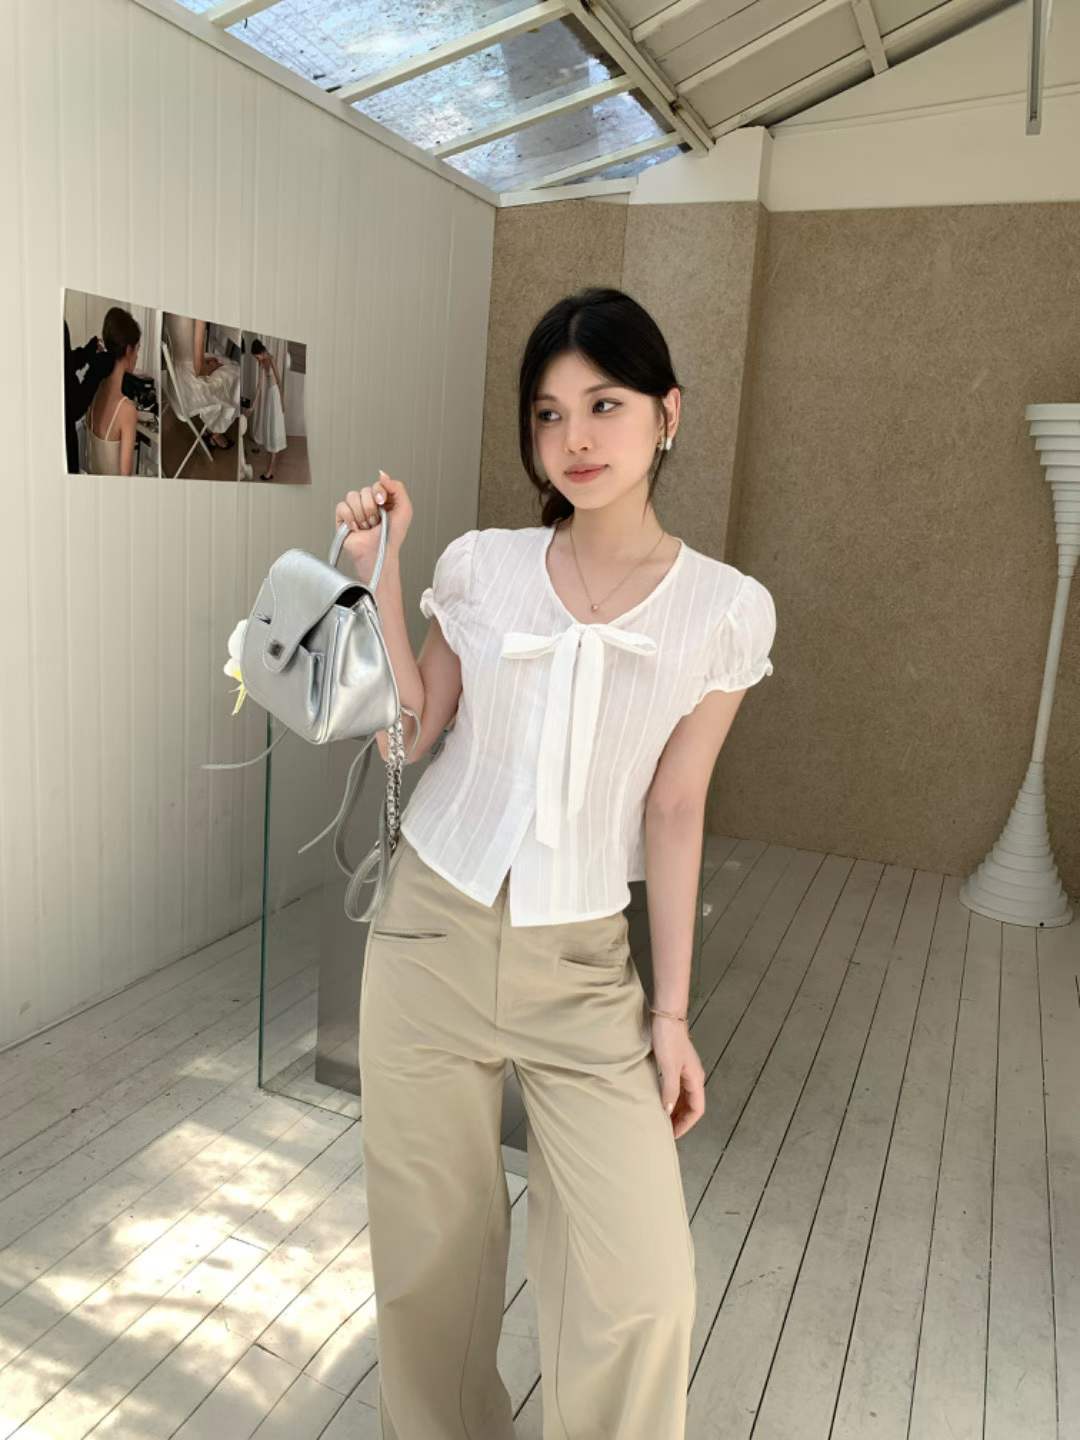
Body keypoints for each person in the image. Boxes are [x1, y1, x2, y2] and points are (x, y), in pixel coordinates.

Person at [334, 286, 777, 1439]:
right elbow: (408, 733)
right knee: (431, 1263)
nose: (574, 436)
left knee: (642, 1287)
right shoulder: (482, 567)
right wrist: (383, 570)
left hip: (582, 967)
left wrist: (668, 1016)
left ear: (668, 414)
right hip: (428, 933)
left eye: (604, 403)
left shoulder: (725, 611)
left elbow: (675, 808)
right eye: (548, 413)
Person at [162, 313, 240, 449]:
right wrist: (214, 366)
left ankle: (212, 425)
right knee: (236, 372)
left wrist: (206, 362)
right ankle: (216, 432)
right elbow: (199, 371)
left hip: (174, 377)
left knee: (224, 365)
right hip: (189, 388)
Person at [85, 307, 142, 476]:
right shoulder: (127, 410)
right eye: (137, 349)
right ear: (128, 350)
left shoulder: (95, 389)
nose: (137, 356)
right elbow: (125, 479)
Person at [63, 318, 112, 473]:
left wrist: (86, 352)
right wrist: (96, 372)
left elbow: (62, 362)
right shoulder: (56, 325)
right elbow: (74, 406)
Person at [249, 338, 287, 480]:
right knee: (268, 425)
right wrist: (253, 405)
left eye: (256, 356)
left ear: (261, 352)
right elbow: (259, 386)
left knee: (274, 427)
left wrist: (282, 402)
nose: (256, 359)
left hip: (275, 395)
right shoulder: (261, 363)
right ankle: (266, 446)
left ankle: (270, 471)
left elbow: (279, 381)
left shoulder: (271, 360)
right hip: (269, 396)